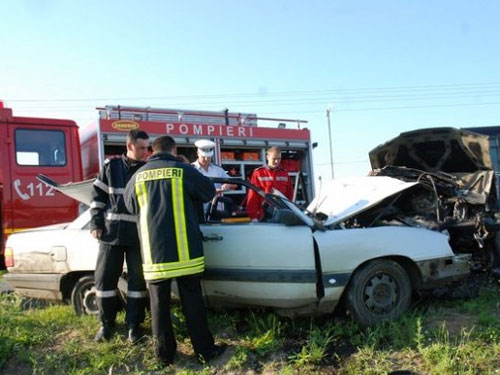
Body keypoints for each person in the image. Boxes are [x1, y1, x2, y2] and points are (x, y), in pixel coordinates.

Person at [124, 136, 226, 366]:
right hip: (186, 254)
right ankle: (205, 351)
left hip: (154, 256)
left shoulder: (137, 176)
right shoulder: (184, 170)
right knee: (193, 304)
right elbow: (209, 192)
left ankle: (163, 356)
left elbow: (129, 206)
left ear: (153, 150)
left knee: (158, 307)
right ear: (174, 150)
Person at [90, 130, 149, 343]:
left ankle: (134, 326)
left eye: (147, 147)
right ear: (130, 146)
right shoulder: (111, 167)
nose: (146, 152)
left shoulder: (146, 170)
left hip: (137, 238)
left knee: (137, 283)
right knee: (105, 280)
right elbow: (97, 198)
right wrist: (96, 223)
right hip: (110, 235)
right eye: (142, 147)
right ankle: (106, 324)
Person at [246, 146, 294, 221]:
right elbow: (253, 196)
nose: (276, 161)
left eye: (279, 159)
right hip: (264, 215)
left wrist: (289, 211)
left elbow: (289, 196)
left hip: (281, 214)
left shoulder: (284, 173)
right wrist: (254, 217)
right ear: (267, 157)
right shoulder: (258, 173)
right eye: (274, 158)